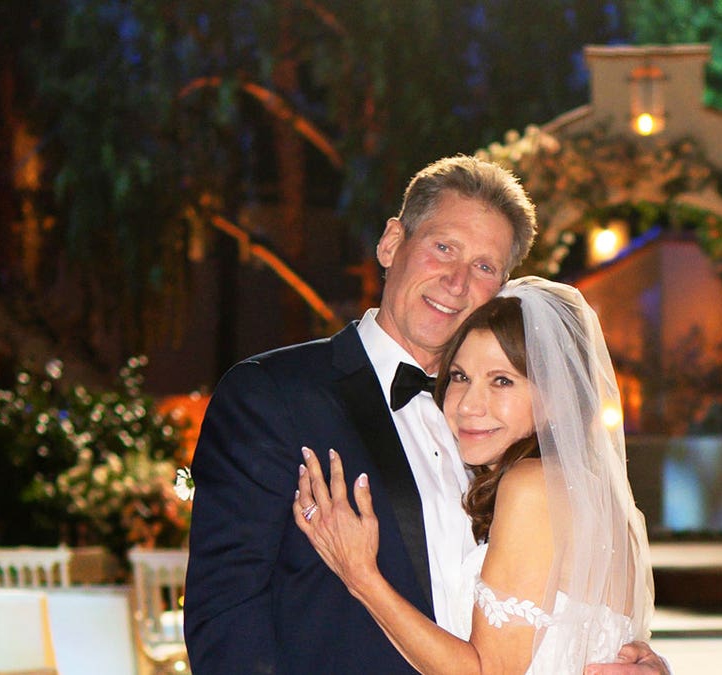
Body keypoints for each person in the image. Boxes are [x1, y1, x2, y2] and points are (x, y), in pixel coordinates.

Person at [184, 155, 669, 673]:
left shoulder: (504, 431)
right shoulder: (272, 395)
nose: (457, 282)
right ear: (392, 243)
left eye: (484, 266)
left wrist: (640, 662)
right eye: (444, 248)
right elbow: (226, 615)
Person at [294, 277, 654, 673]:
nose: (468, 404)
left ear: (556, 398)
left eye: (502, 381)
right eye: (461, 377)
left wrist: (360, 574)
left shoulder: (532, 488)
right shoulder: (586, 491)